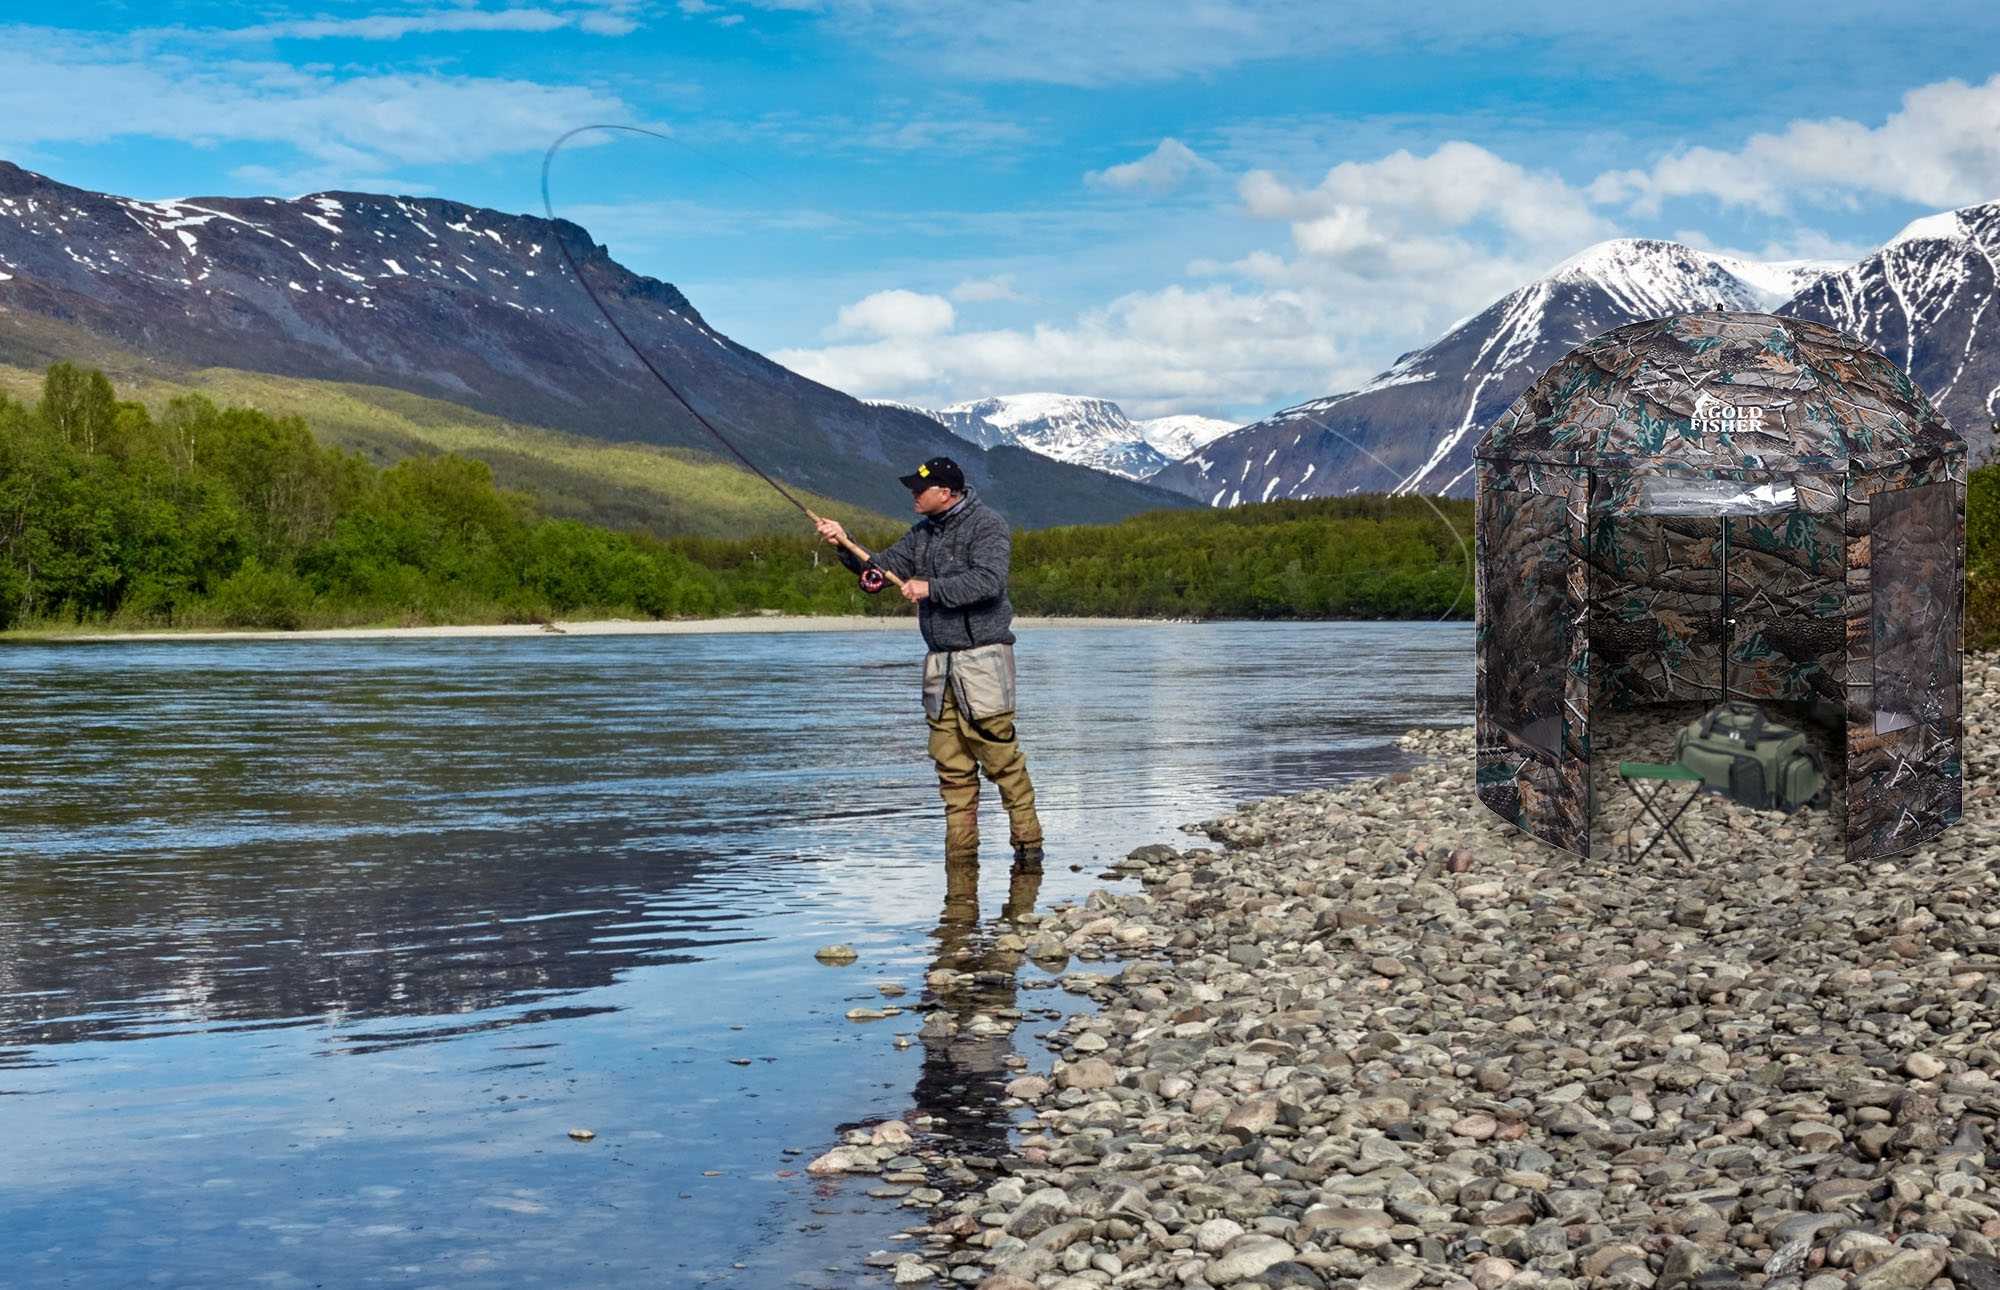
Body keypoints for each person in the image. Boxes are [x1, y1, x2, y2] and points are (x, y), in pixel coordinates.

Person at [814, 456, 1044, 868]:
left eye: (920, 489)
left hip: (983, 660)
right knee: (951, 770)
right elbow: (880, 572)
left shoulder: (987, 525)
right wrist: (844, 545)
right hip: (940, 667)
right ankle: (961, 863)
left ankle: (1029, 853)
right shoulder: (923, 534)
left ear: (946, 492)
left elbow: (989, 582)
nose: (913, 495)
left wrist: (930, 588)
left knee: (1003, 762)